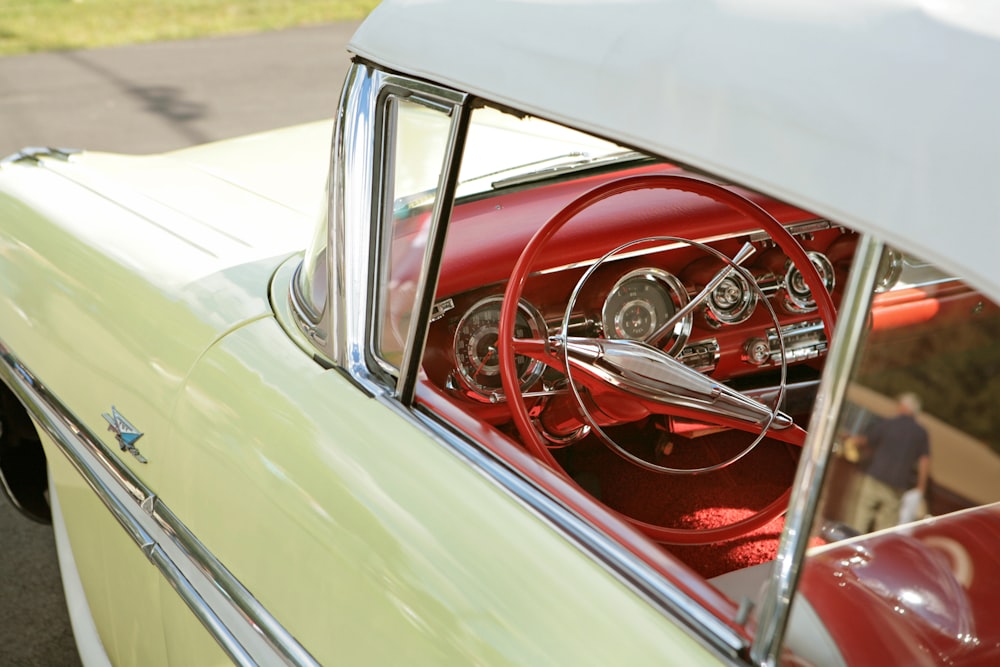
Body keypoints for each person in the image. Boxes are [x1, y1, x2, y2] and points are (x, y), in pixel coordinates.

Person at [850, 393, 931, 533]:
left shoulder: (888, 423)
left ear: (903, 407)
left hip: (875, 478)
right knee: (885, 529)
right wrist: (921, 486)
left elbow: (867, 440)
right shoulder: (920, 433)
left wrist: (853, 441)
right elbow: (925, 460)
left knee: (861, 519)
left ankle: (851, 547)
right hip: (896, 486)